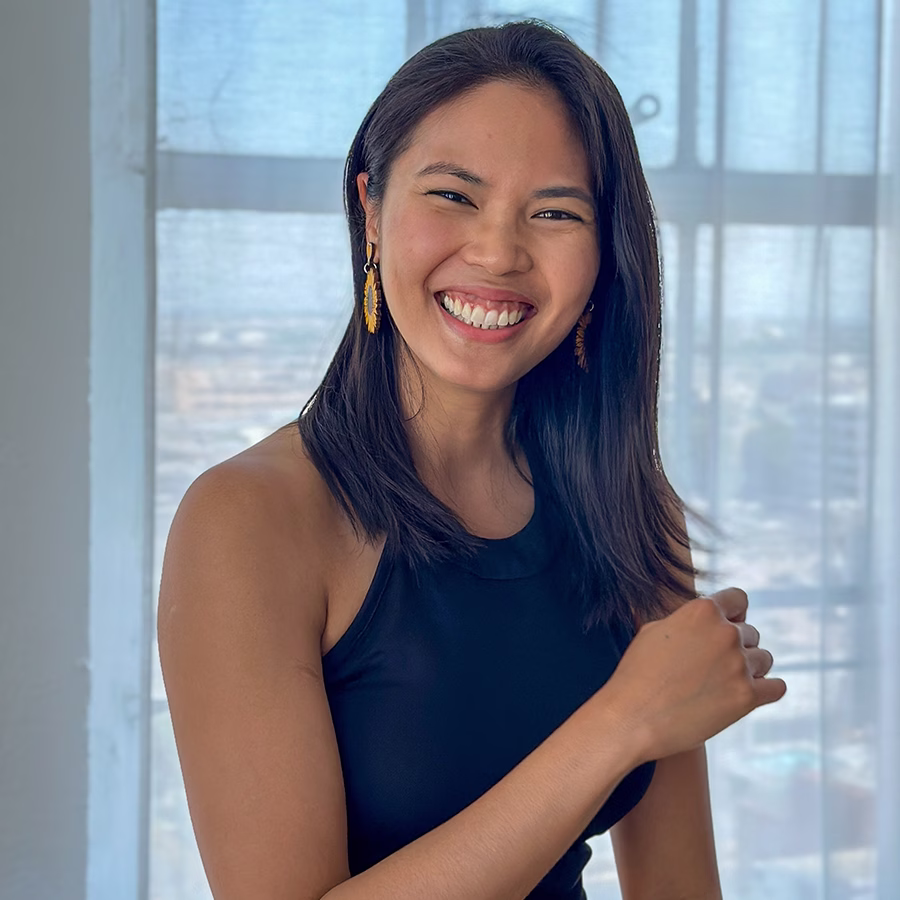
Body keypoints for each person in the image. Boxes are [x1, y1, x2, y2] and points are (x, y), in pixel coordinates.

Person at [157, 20, 786, 900]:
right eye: (454, 195)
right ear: (372, 208)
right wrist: (621, 722)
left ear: (606, 257)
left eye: (556, 212)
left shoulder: (631, 511)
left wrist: (644, 718)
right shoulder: (247, 520)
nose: (497, 253)